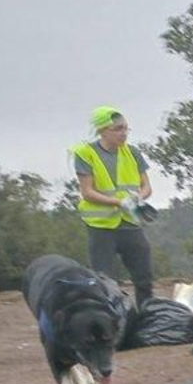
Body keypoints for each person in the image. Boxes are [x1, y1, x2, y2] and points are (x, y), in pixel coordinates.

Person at [71, 106, 154, 303]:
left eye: (126, 128)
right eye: (117, 129)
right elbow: (87, 192)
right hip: (101, 227)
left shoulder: (132, 153)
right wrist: (118, 202)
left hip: (130, 223)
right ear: (102, 131)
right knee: (105, 283)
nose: (123, 133)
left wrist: (138, 198)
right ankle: (111, 324)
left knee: (144, 277)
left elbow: (147, 186)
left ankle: (146, 316)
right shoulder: (85, 153)